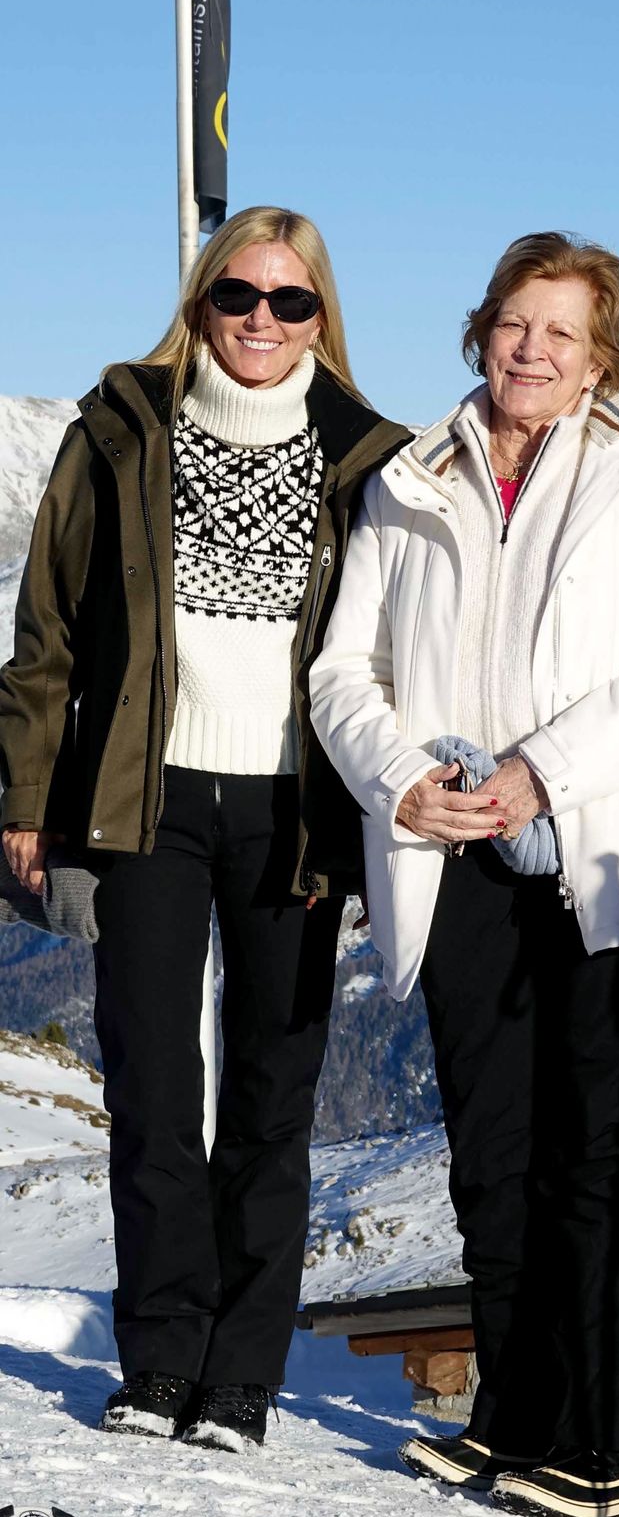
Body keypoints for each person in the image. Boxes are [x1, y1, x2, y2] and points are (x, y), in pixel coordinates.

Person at [0, 207, 410, 1450]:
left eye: (291, 302)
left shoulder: (372, 458)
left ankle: (245, 1375)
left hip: (297, 812)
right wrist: (25, 801)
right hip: (146, 802)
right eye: (239, 295)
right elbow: (47, 635)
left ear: (321, 316)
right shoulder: (120, 430)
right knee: (155, 1093)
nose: (261, 322)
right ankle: (159, 1361)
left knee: (275, 1097)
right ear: (201, 300)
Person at [310, 231, 619, 1517]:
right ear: (481, 333)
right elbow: (342, 671)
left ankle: (606, 1438)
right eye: (515, 324)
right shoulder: (412, 481)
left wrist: (537, 773)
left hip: (589, 850)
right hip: (452, 846)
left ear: (600, 360)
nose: (532, 350)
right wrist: (400, 778)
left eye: (560, 333)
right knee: (492, 1151)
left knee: (601, 1152)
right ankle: (515, 1411)